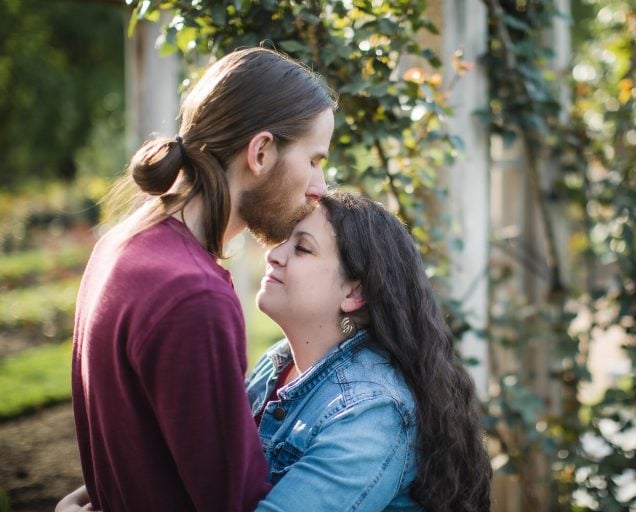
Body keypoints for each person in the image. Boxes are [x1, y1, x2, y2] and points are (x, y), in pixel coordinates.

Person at [65, 46, 337, 512]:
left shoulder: (122, 243)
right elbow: (234, 502)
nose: (320, 188)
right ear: (262, 151)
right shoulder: (193, 295)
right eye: (314, 160)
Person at [246, 191, 492, 511]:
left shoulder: (372, 411)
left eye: (302, 248)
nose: (273, 255)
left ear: (354, 292)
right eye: (282, 240)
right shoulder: (277, 362)